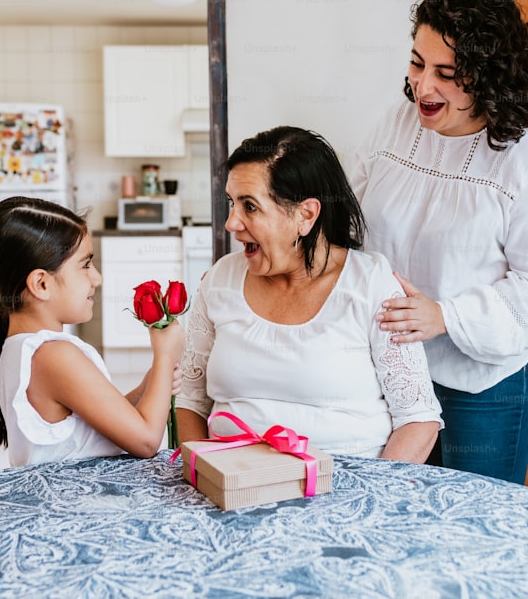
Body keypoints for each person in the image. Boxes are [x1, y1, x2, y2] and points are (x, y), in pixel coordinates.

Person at [350, 0, 528, 483]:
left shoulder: (527, 165)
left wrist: (444, 316)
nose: (422, 87)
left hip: (486, 384)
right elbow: (351, 223)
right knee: (400, 517)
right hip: (395, 367)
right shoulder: (392, 127)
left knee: (473, 531)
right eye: (417, 63)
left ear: (488, 78)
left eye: (446, 74)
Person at [175, 126, 443, 461]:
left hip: (347, 489)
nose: (232, 223)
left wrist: (369, 503)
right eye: (232, 203)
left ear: (306, 215)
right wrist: (204, 474)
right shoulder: (219, 280)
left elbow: (418, 419)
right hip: (233, 487)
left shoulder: (371, 285)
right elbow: (190, 402)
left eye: (250, 207)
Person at [0, 196, 183, 467]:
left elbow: (94, 425)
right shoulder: (55, 355)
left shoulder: (18, 347)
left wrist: (148, 386)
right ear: (41, 284)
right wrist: (164, 355)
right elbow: (146, 442)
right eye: (85, 265)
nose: (97, 278)